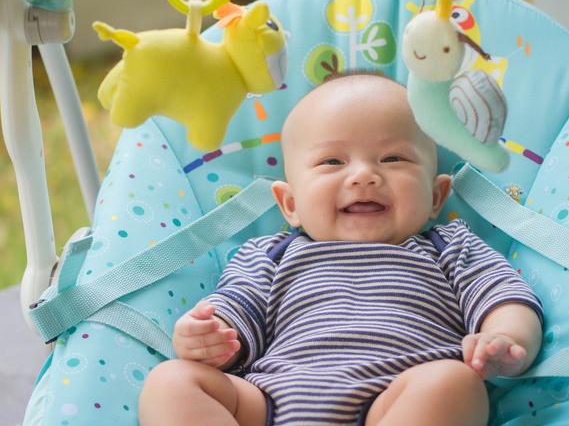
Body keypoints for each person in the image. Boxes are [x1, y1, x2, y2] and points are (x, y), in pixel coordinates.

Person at [138, 73, 543, 426]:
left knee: (453, 384)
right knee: (172, 381)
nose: (364, 174)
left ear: (436, 196)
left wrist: (503, 339)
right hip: (270, 404)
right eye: (332, 161)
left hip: (397, 399)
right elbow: (233, 317)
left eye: (393, 157)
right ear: (290, 205)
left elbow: (505, 297)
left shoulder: (449, 246)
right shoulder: (269, 254)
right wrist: (209, 340)